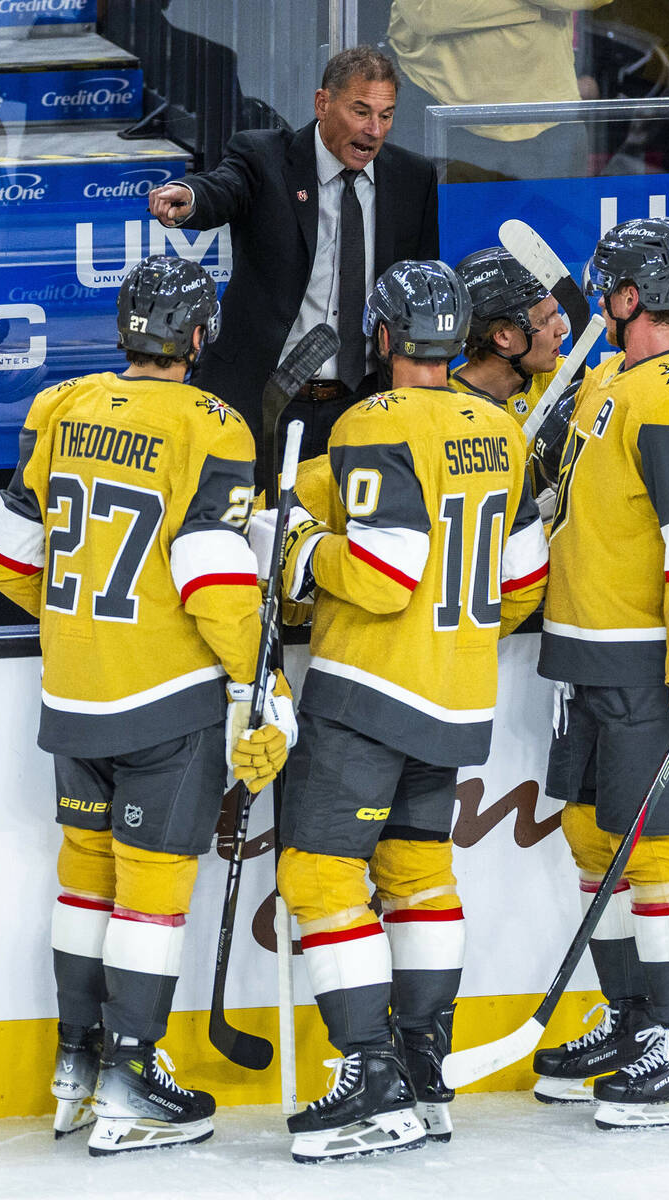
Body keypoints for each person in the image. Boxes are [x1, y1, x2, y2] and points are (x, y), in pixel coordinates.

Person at [0, 255, 297, 1156]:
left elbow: (2, 545)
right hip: (166, 698)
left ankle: (74, 1072)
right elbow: (214, 577)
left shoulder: (64, 407)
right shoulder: (214, 425)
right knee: (149, 893)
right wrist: (260, 680)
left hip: (72, 687)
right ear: (201, 336)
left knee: (86, 878)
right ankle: (129, 1082)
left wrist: (76, 621)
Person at [262, 259, 548, 1163]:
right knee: (418, 871)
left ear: (383, 338)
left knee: (318, 875)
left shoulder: (370, 421)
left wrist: (305, 545)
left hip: (368, 685)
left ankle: (369, 1078)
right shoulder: (503, 430)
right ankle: (423, 1074)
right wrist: (455, 639)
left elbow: (382, 575)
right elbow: (525, 578)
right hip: (458, 687)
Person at [532, 218, 669, 1129]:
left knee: (657, 851)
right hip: (590, 657)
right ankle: (633, 1022)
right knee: (594, 837)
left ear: (629, 299)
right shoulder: (609, 386)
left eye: (606, 289)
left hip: (657, 666)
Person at [147, 46, 440, 485]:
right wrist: (192, 199)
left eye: (386, 115)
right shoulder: (263, 158)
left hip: (362, 404)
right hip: (265, 400)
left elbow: (420, 291)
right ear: (323, 103)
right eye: (361, 112)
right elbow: (224, 189)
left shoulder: (412, 178)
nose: (374, 130)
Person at [386, 1, 613, 182]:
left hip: (551, 122)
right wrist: (538, 9)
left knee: (555, 235)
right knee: (444, 235)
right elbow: (429, 11)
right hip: (440, 113)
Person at [452, 245, 570, 515]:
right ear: (503, 336)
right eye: (546, 318)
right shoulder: (447, 408)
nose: (562, 328)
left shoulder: (566, 378)